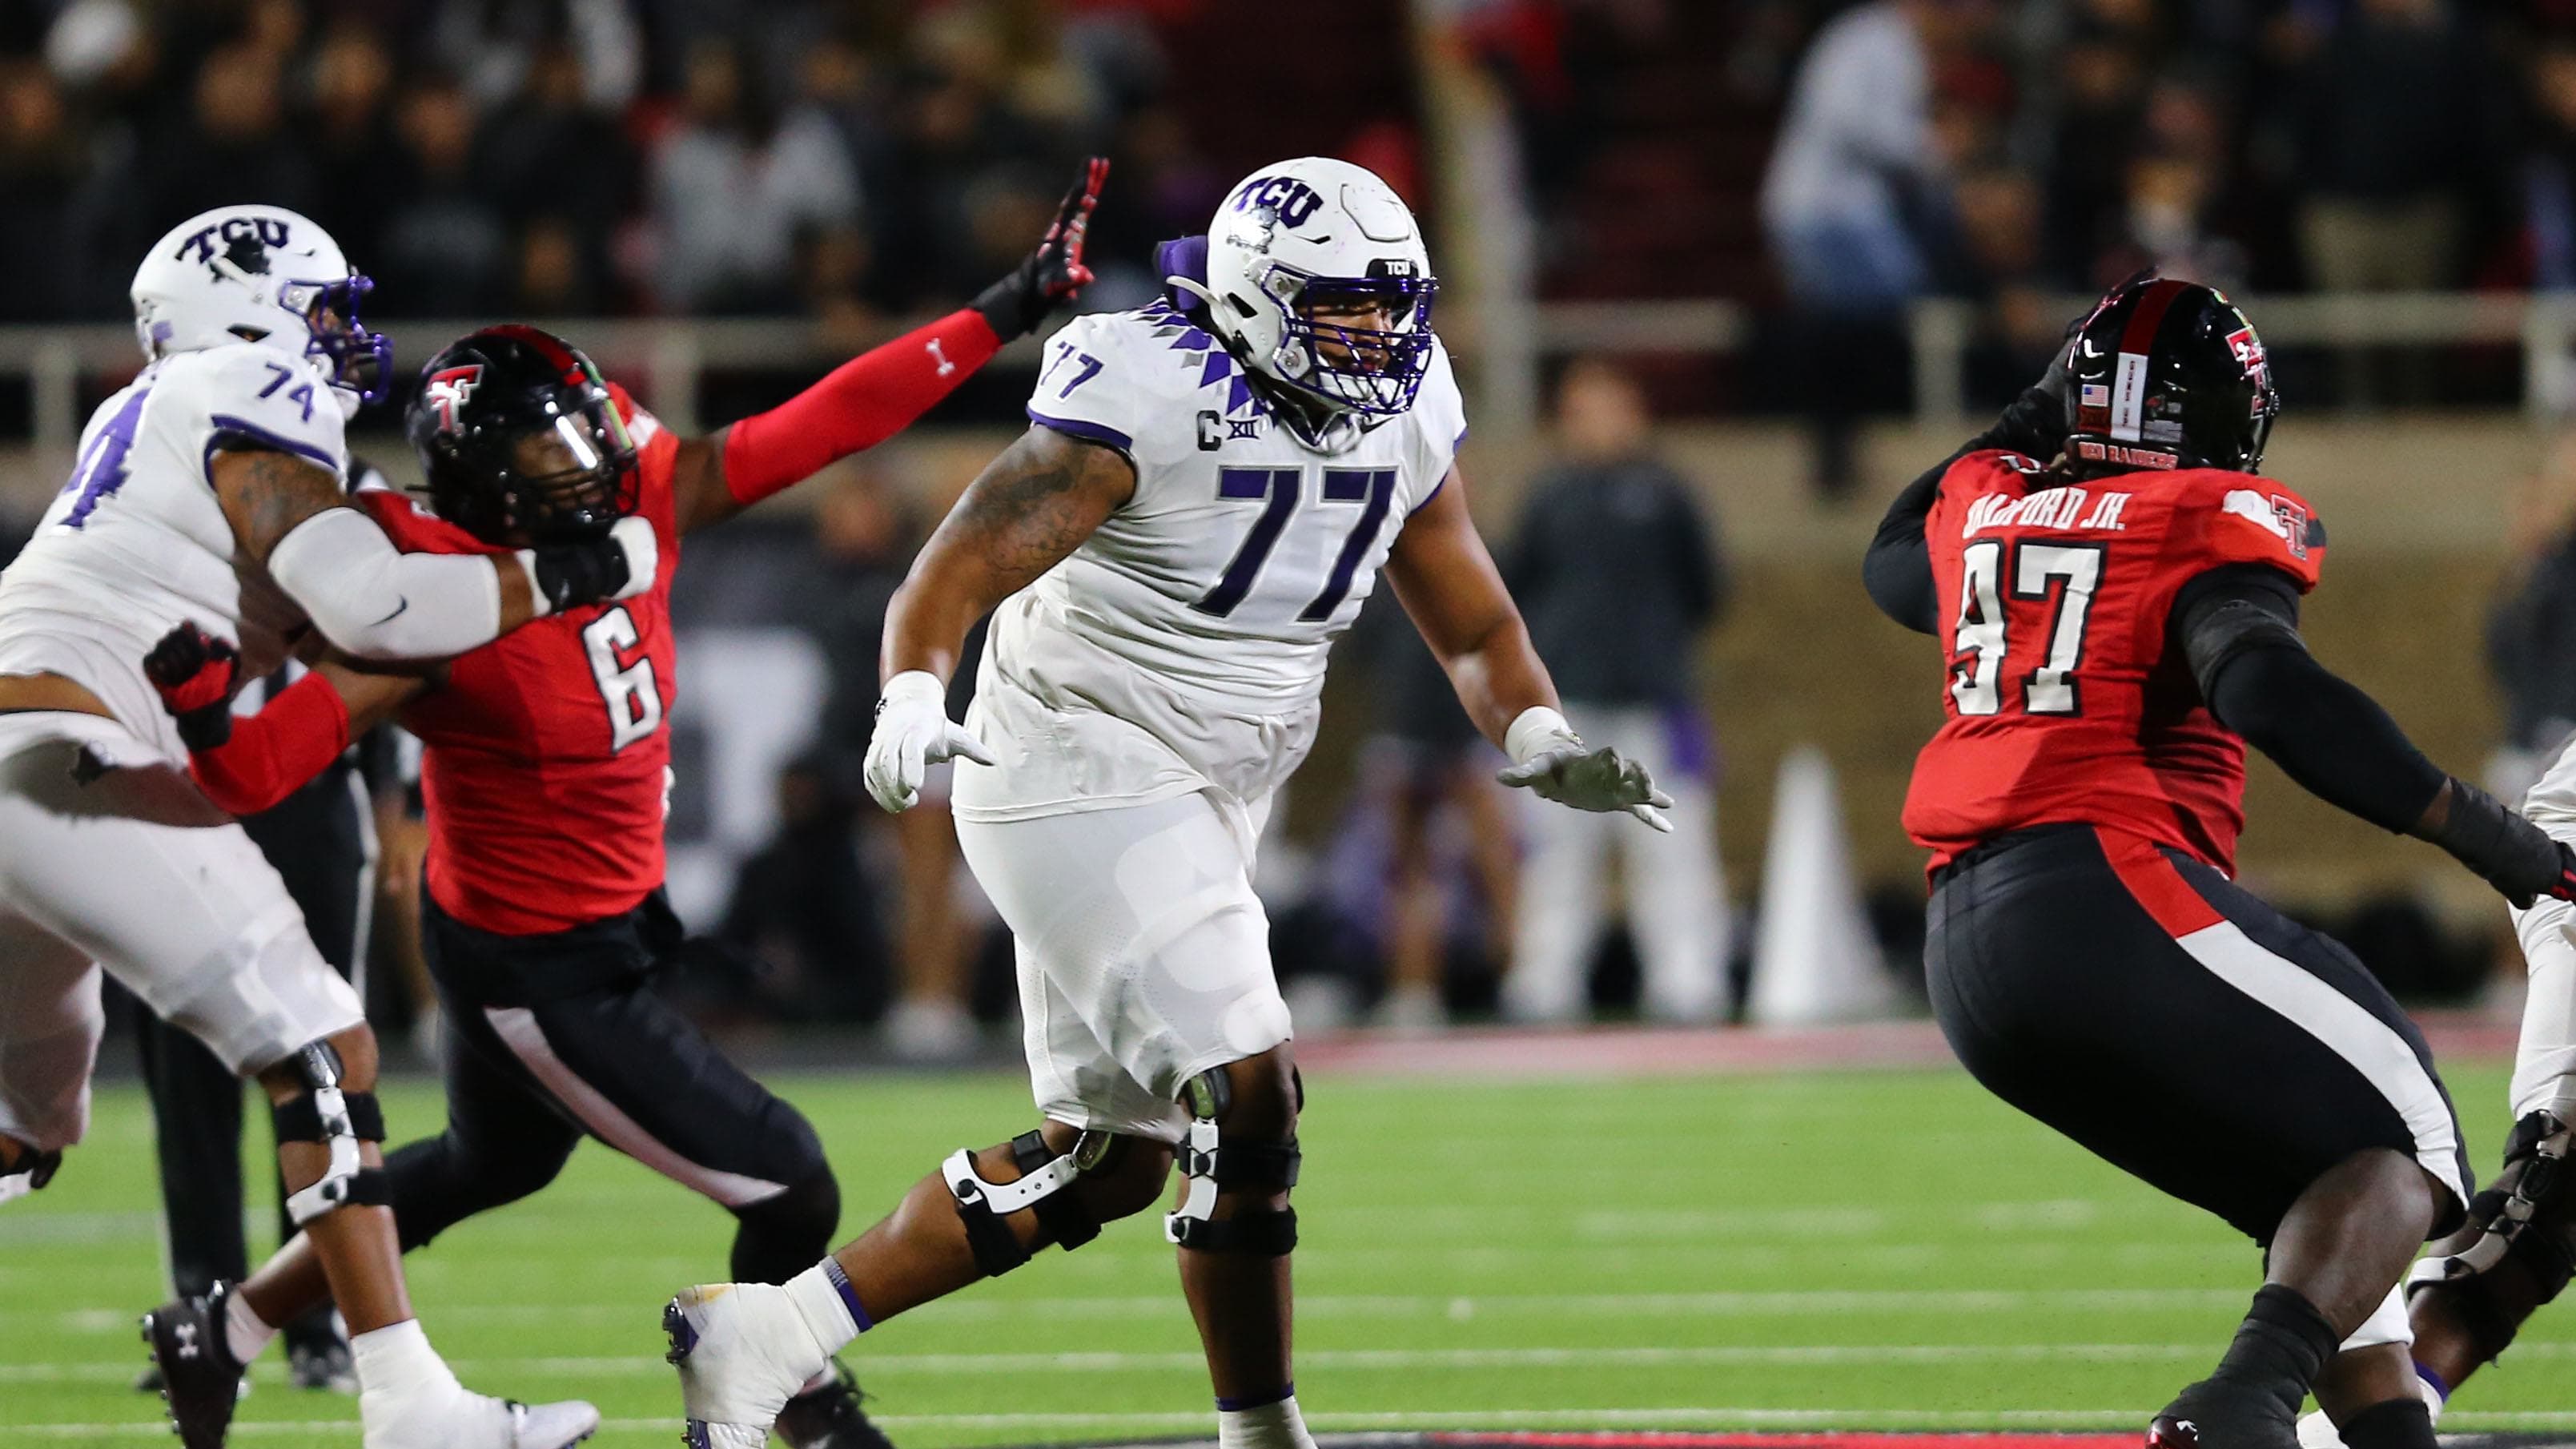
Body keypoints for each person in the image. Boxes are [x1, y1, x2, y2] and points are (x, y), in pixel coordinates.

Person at [658, 155, 1671, 1449]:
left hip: (1207, 786)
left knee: (1112, 1156)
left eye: (1390, 305)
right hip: (1075, 755)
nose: (1378, 337)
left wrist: (1536, 729)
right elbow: (960, 556)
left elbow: (1469, 614)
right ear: (1251, 299)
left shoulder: (1404, 400)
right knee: (1247, 1083)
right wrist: (910, 688)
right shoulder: (1152, 387)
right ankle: (1262, 1434)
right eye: (1342, 308)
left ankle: (770, 1335)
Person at [134, 160, 1110, 1449]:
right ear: (478, 488)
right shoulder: (419, 599)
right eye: (543, 461)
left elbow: (818, 424)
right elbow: (269, 750)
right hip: (536, 967)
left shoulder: (634, 481)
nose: (583, 473)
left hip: (576, 923)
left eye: (584, 436)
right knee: (791, 1180)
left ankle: (227, 1325)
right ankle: (765, 1389)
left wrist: (1000, 311)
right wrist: (196, 706)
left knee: (496, 1162)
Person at [1864, 274, 2576, 1449]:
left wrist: (2031, 415)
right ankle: (2239, 1410)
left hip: (1968, 955)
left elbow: (1894, 553)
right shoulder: (2200, 512)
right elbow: (2267, 690)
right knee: (2411, 1146)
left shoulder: (1985, 504)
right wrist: (2491, 838)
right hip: (2101, 889)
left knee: (2328, 1212)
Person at [0, 205, 642, 1449]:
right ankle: (415, 1410)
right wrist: (569, 572)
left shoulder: (150, 416)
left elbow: (332, 622)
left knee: (31, 1124)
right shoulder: (248, 379)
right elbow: (376, 602)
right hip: (66, 757)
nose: (346, 334)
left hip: (29, 752)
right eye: (324, 304)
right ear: (252, 310)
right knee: (318, 1041)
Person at [1501, 358, 1730, 1024]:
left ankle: (1689, 984)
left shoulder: (1666, 491)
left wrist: (1654, 653)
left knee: (1673, 846)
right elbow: (1520, 589)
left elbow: (1702, 589)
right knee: (1558, 856)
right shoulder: (1548, 495)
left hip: (1655, 702)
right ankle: (1543, 986)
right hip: (1569, 707)